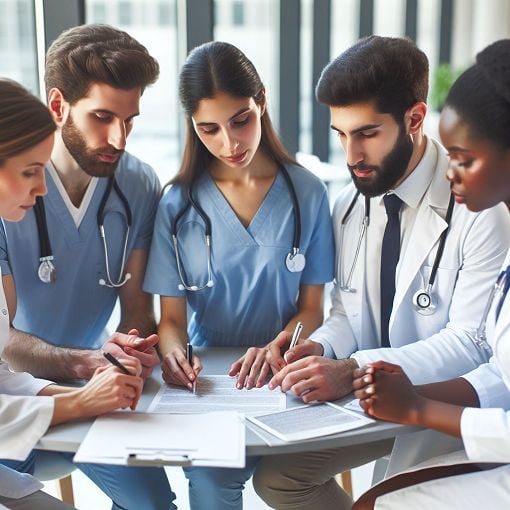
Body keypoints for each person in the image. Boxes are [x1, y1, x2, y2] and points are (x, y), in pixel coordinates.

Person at [253, 35, 510, 510]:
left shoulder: (482, 206)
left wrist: (353, 370)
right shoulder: (349, 204)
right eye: (341, 134)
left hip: (445, 400)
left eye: (367, 133)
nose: (351, 155)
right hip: (375, 394)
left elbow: (472, 343)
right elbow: (348, 312)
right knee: (278, 479)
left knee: (379, 498)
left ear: (414, 119)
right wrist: (320, 346)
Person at [143, 41, 334, 510]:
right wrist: (173, 355)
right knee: (208, 486)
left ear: (261, 102)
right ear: (192, 126)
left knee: (288, 479)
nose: (229, 143)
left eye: (240, 120)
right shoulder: (177, 204)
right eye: (208, 128)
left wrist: (281, 346)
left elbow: (313, 308)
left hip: (282, 374)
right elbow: (170, 319)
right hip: (208, 381)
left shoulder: (306, 193)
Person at [0, 25, 176, 510]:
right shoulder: (8, 190)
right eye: (102, 117)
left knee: (156, 507)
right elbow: (5, 343)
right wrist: (81, 363)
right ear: (58, 106)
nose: (118, 137)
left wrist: (129, 349)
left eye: (130, 119)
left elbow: (138, 308)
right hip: (25, 394)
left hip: (94, 385)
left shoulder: (138, 185)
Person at [352, 38, 510, 510]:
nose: (450, 173)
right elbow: (503, 375)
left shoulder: (489, 226)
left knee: (385, 503)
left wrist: (419, 408)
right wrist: (405, 388)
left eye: (464, 160)